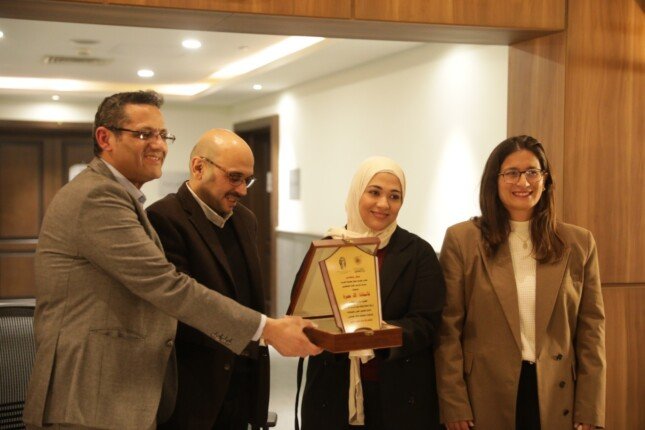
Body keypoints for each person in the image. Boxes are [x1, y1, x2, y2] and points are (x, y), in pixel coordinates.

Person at [23, 90, 321, 430]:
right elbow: (166, 285)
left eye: (163, 135)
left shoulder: (122, 197)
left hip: (115, 394)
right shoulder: (98, 195)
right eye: (144, 134)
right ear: (105, 138)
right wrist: (267, 329)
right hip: (87, 399)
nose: (159, 145)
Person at [435, 135, 606, 430]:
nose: (523, 182)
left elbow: (592, 332)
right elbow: (448, 331)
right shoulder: (462, 240)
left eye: (532, 172)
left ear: (545, 179)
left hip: (556, 394)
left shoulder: (578, 243)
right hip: (483, 395)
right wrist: (453, 403)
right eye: (511, 173)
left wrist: (590, 408)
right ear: (495, 179)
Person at [296, 156, 446, 430]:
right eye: (374, 192)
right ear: (357, 193)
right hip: (333, 391)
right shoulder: (327, 248)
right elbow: (304, 314)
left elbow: (426, 323)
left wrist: (378, 335)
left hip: (397, 394)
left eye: (394, 196)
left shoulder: (418, 253)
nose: (383, 204)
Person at [146, 129, 270, 429]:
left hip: (243, 385)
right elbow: (180, 309)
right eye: (234, 177)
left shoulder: (246, 220)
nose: (243, 190)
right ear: (199, 167)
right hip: (195, 393)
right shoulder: (163, 218)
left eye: (248, 180)